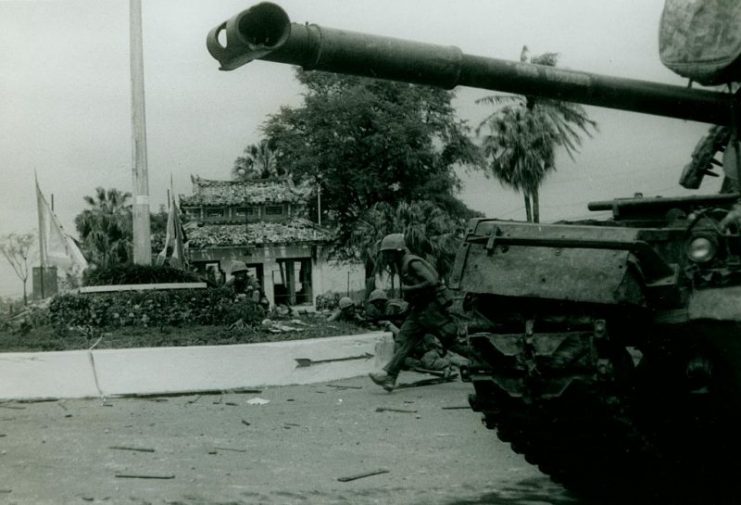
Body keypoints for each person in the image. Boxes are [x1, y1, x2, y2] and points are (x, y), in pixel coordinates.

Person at [369, 233, 466, 392]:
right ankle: (389, 376)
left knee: (451, 342)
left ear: (398, 251)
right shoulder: (401, 264)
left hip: (432, 309)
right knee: (404, 339)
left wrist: (409, 289)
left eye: (388, 252)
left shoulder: (411, 262)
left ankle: (487, 362)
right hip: (420, 309)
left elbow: (432, 281)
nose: (386, 256)